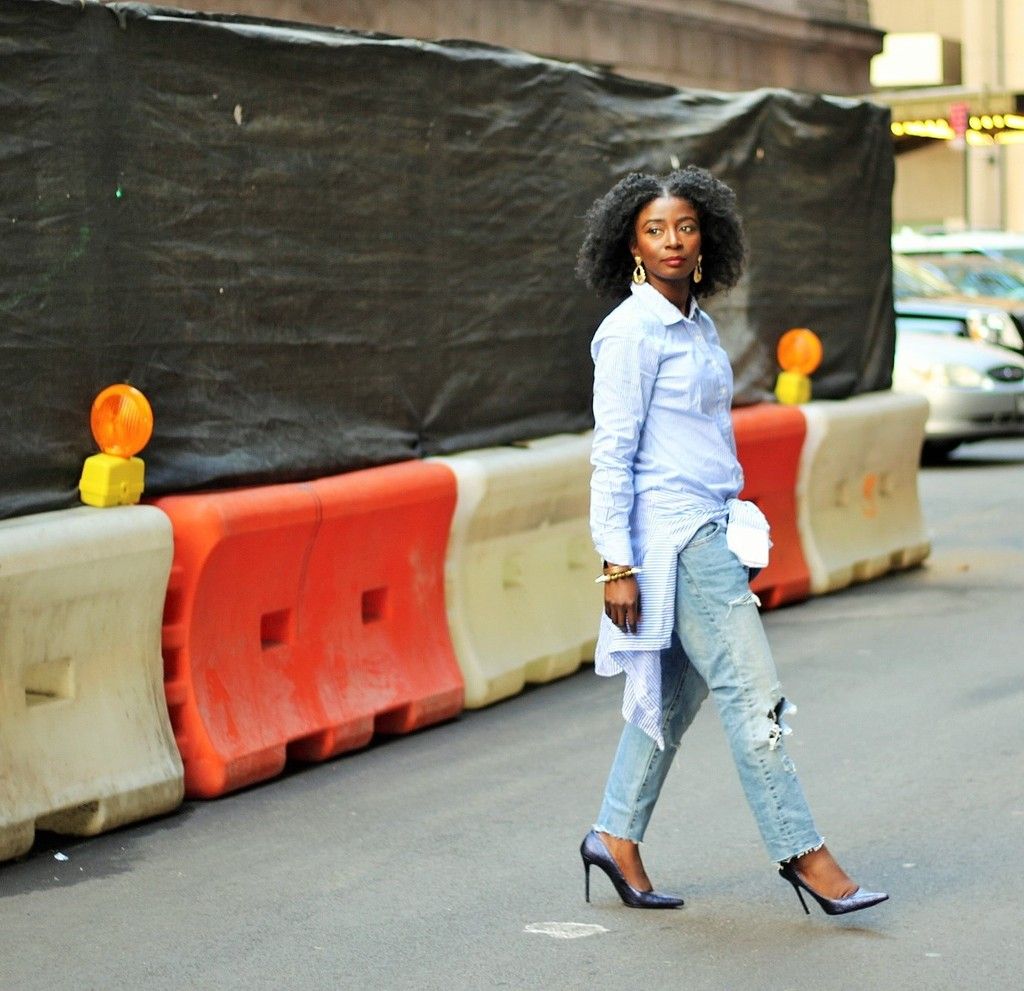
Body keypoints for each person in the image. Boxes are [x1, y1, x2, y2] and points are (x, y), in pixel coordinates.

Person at [575, 167, 888, 916]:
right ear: (632, 245)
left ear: (706, 235)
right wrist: (615, 562)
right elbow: (611, 455)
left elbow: (711, 436)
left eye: (685, 225)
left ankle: (613, 836)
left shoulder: (700, 326)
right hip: (674, 539)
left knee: (671, 704)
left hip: (712, 525)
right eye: (655, 229)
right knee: (755, 697)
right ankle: (804, 853)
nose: (673, 240)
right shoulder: (630, 332)